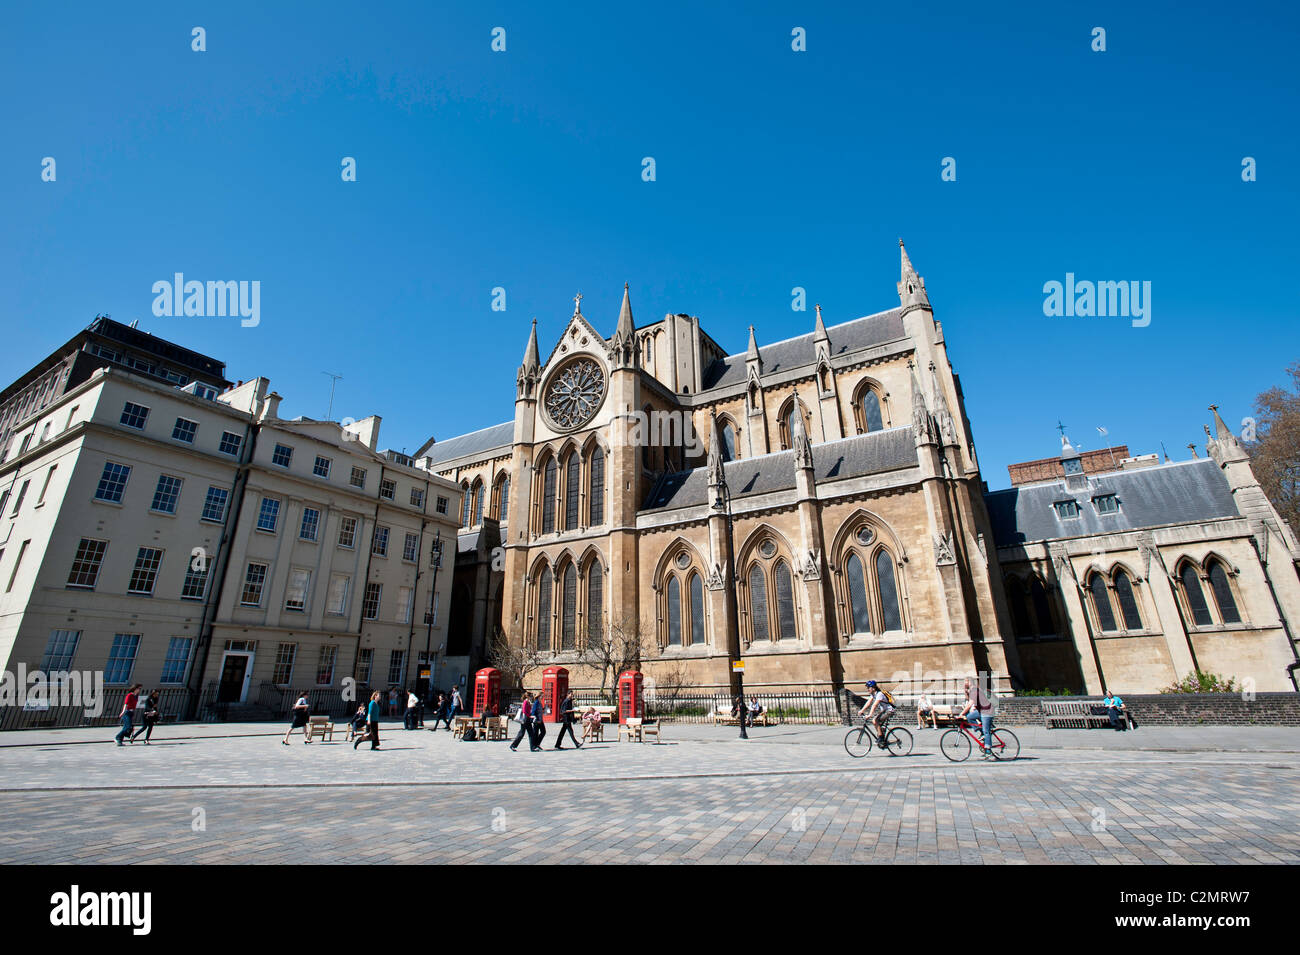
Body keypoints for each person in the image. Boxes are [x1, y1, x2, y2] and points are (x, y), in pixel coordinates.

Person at [958, 675, 995, 758]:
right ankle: (981, 732)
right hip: (981, 711)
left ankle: (988, 750)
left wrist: (962, 713)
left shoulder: (974, 690)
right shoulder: (972, 691)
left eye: (965, 681)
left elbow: (970, 703)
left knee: (986, 731)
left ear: (969, 682)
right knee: (970, 717)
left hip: (987, 711)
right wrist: (965, 692)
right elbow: (970, 700)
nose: (964, 683)